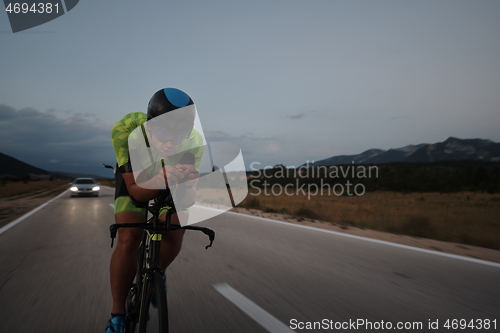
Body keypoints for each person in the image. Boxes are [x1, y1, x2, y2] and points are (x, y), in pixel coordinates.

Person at [105, 88, 203, 333]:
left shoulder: (194, 141)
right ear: (148, 127)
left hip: (171, 176)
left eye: (180, 134)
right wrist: (159, 179)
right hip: (138, 177)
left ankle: (157, 272)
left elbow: (187, 201)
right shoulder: (126, 129)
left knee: (175, 225)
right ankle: (117, 316)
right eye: (162, 133)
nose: (171, 142)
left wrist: (190, 186)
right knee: (129, 237)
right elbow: (136, 192)